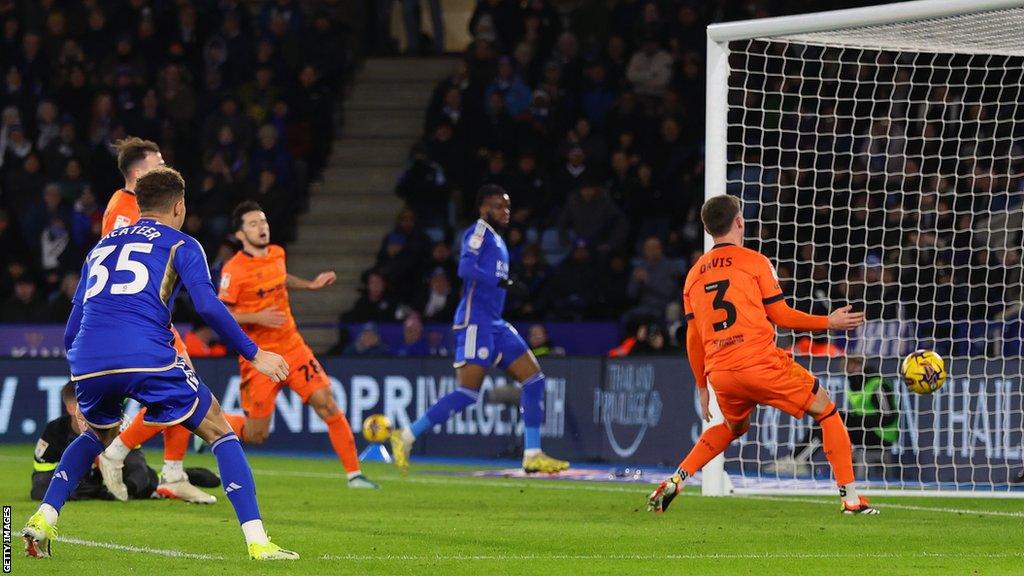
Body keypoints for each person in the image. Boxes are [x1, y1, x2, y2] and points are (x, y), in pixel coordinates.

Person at [22, 166, 299, 560]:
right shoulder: (181, 243)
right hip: (144, 352)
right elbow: (207, 305)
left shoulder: (99, 248)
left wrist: (81, 365)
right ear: (179, 206)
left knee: (95, 435)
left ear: (139, 205)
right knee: (220, 431)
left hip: (88, 355)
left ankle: (44, 519)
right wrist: (254, 353)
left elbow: (73, 322)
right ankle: (258, 542)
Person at [646, 194, 877, 515]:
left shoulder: (693, 275)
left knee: (733, 427)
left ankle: (678, 477)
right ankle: (851, 499)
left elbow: (693, 337)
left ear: (708, 228)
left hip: (722, 374)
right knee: (826, 411)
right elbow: (781, 316)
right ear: (739, 221)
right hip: (760, 362)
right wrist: (830, 321)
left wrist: (702, 385)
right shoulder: (755, 262)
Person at [390, 185, 569, 474]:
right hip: (475, 321)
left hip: (495, 322)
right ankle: (406, 435)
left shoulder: (497, 239)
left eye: (508, 206)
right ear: (484, 209)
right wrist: (503, 282)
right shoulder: (478, 232)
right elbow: (465, 268)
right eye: (499, 206)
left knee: (534, 379)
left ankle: (533, 454)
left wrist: (504, 283)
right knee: (467, 393)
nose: (505, 212)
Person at [218, 201, 377, 489]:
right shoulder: (234, 269)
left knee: (327, 403)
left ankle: (355, 475)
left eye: (263, 221)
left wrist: (311, 285)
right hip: (259, 358)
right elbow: (220, 312)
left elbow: (281, 278)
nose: (261, 227)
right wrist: (256, 316)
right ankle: (213, 425)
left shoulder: (278, 253)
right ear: (240, 235)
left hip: (293, 347)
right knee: (256, 435)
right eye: (253, 224)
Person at [93, 137, 211, 504]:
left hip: (146, 316)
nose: (165, 164)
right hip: (136, 318)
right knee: (179, 387)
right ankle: (117, 454)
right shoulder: (125, 207)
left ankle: (172, 473)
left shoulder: (126, 205)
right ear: (139, 171)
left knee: (183, 386)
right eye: (159, 160)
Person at [32, 382, 221, 501]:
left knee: (147, 482)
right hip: (90, 483)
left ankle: (181, 475)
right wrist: (85, 491)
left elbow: (138, 469)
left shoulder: (119, 424)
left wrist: (124, 490)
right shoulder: (55, 431)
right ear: (72, 408)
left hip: (124, 478)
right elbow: (39, 483)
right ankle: (177, 476)